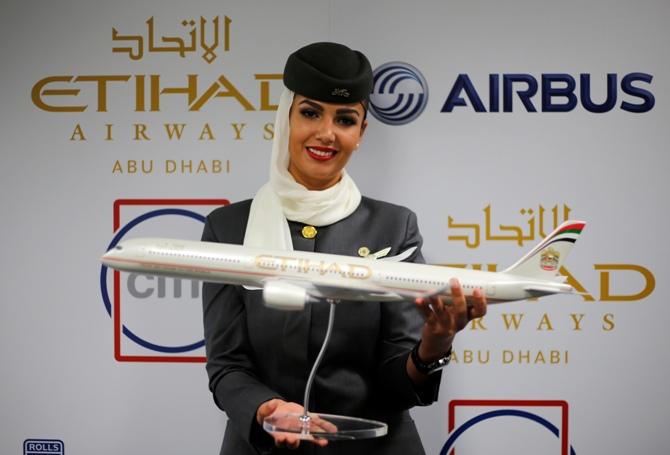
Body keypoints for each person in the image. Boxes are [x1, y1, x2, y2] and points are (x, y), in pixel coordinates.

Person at [201, 42, 487, 455]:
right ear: (286, 118)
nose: (326, 133)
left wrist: (434, 346)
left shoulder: (394, 226)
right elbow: (227, 366)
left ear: (361, 133)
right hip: (263, 447)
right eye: (310, 112)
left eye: (345, 119)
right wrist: (266, 408)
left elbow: (398, 382)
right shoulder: (228, 228)